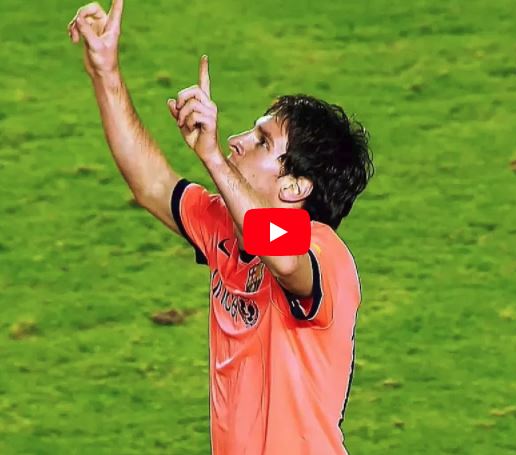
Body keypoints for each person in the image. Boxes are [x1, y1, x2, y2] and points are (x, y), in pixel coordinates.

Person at [67, 1, 375, 453]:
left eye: (261, 141)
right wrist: (105, 71)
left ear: (294, 186)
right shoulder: (226, 227)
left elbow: (282, 255)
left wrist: (211, 157)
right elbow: (153, 185)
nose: (237, 140)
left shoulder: (322, 250)